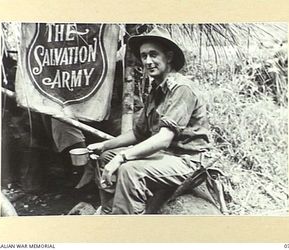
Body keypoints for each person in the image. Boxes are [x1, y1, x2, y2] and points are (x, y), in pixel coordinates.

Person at [88, 27, 211, 214]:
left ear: (168, 57)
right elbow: (139, 133)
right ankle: (110, 212)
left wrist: (122, 157)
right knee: (106, 158)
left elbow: (163, 139)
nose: (147, 61)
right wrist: (105, 145)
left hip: (187, 160)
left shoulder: (181, 88)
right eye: (144, 56)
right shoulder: (155, 90)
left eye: (153, 55)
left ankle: (126, 227)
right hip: (164, 156)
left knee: (130, 169)